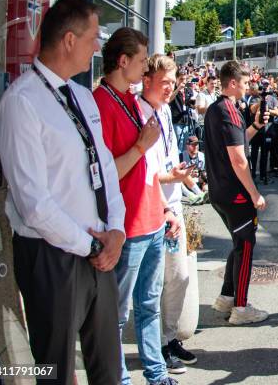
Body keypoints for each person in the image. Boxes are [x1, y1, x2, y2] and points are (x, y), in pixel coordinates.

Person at [0, 0, 125, 384]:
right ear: (69, 40)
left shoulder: (83, 96)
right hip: (51, 257)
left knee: (108, 371)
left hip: (100, 250)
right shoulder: (22, 103)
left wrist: (115, 230)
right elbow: (35, 205)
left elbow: (103, 169)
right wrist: (94, 246)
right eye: (92, 37)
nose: (98, 46)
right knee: (57, 370)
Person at [94, 27, 181, 385]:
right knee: (118, 311)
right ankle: (120, 379)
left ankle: (156, 375)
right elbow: (105, 173)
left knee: (148, 304)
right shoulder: (101, 104)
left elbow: (146, 173)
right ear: (124, 61)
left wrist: (164, 209)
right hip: (127, 227)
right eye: (142, 60)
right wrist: (141, 148)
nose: (145, 68)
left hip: (150, 221)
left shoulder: (129, 101)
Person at [139, 54, 198, 374]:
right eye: (164, 82)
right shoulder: (140, 113)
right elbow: (143, 171)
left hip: (172, 205)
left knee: (179, 277)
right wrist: (172, 179)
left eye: (173, 83)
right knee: (158, 283)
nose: (170, 88)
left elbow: (164, 164)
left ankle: (169, 339)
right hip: (153, 209)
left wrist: (184, 179)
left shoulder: (163, 111)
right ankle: (159, 348)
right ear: (146, 80)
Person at [205, 60, 270, 325]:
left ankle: (227, 297)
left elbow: (236, 144)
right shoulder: (229, 111)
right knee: (245, 245)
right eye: (244, 83)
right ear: (232, 83)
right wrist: (254, 193)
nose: (247, 87)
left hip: (219, 192)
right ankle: (241, 307)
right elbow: (239, 159)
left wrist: (254, 126)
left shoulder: (215, 109)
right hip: (236, 193)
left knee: (238, 242)